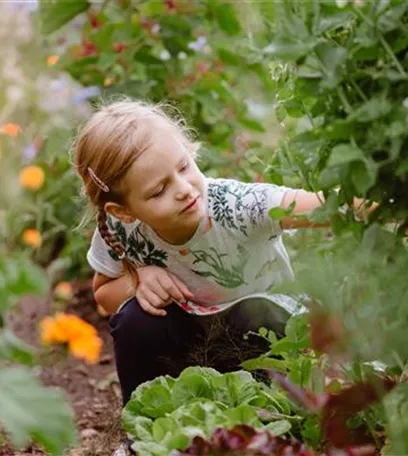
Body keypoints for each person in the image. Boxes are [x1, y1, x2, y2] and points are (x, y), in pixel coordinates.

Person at [72, 98, 343, 407]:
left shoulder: (236, 207)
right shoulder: (118, 229)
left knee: (258, 314)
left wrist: (387, 201)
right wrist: (139, 279)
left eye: (184, 167)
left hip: (264, 342)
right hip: (190, 352)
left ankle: (276, 414)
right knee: (136, 321)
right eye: (159, 190)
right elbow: (104, 295)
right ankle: (147, 423)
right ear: (123, 211)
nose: (184, 189)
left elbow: (323, 207)